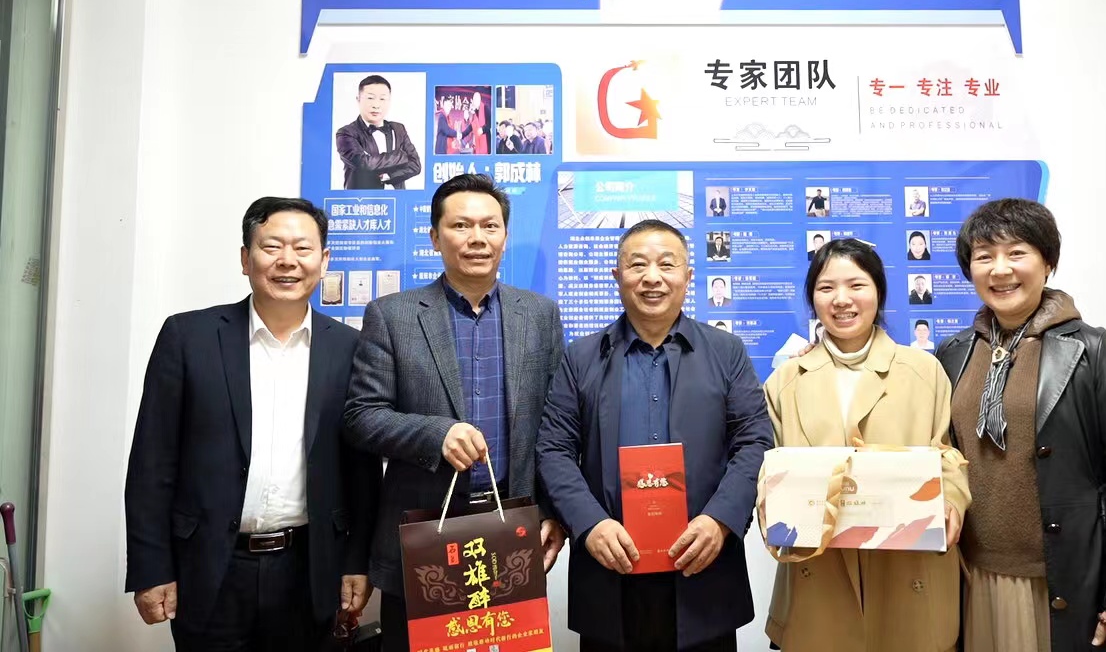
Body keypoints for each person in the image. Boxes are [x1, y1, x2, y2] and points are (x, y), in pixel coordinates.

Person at [124, 197, 382, 651]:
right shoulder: (188, 337)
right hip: (211, 568)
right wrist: (151, 568)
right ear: (246, 258)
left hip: (309, 569)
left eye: (302, 248)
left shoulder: (351, 348)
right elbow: (152, 462)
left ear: (323, 261)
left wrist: (357, 561)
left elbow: (361, 470)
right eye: (272, 247)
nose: (287, 260)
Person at [342, 173, 567, 652]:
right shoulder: (392, 315)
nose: (477, 238)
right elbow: (362, 416)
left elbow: (554, 427)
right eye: (461, 225)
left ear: (505, 236)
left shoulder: (540, 315)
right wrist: (435, 434)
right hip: (425, 537)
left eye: (489, 225)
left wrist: (553, 511)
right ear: (434, 236)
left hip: (510, 530)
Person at [935, 198, 1106, 652]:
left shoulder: (1093, 352)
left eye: (1016, 253)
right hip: (973, 580)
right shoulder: (954, 353)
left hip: (1062, 585)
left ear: (1048, 263)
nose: (1000, 269)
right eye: (984, 256)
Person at [537, 219, 775, 652]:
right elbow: (554, 449)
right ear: (617, 276)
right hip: (610, 566)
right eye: (637, 265)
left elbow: (755, 440)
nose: (652, 277)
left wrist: (720, 520)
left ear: (688, 275)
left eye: (667, 264)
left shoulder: (726, 352)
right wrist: (590, 524)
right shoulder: (581, 358)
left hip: (703, 566)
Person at [759, 239, 969, 651]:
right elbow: (769, 461)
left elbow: (948, 451)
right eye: (826, 288)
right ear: (812, 299)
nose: (842, 300)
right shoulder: (785, 380)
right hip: (819, 567)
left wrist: (953, 499)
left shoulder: (923, 369)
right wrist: (770, 498)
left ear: (879, 292)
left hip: (907, 566)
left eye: (856, 285)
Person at [336, 74, 422, 190]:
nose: (376, 105)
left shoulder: (398, 129)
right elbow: (364, 164)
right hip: (362, 200)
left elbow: (415, 165)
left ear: (389, 101)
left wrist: (388, 176)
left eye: (382, 99)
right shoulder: (346, 133)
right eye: (370, 98)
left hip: (397, 199)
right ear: (358, 100)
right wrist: (401, 156)